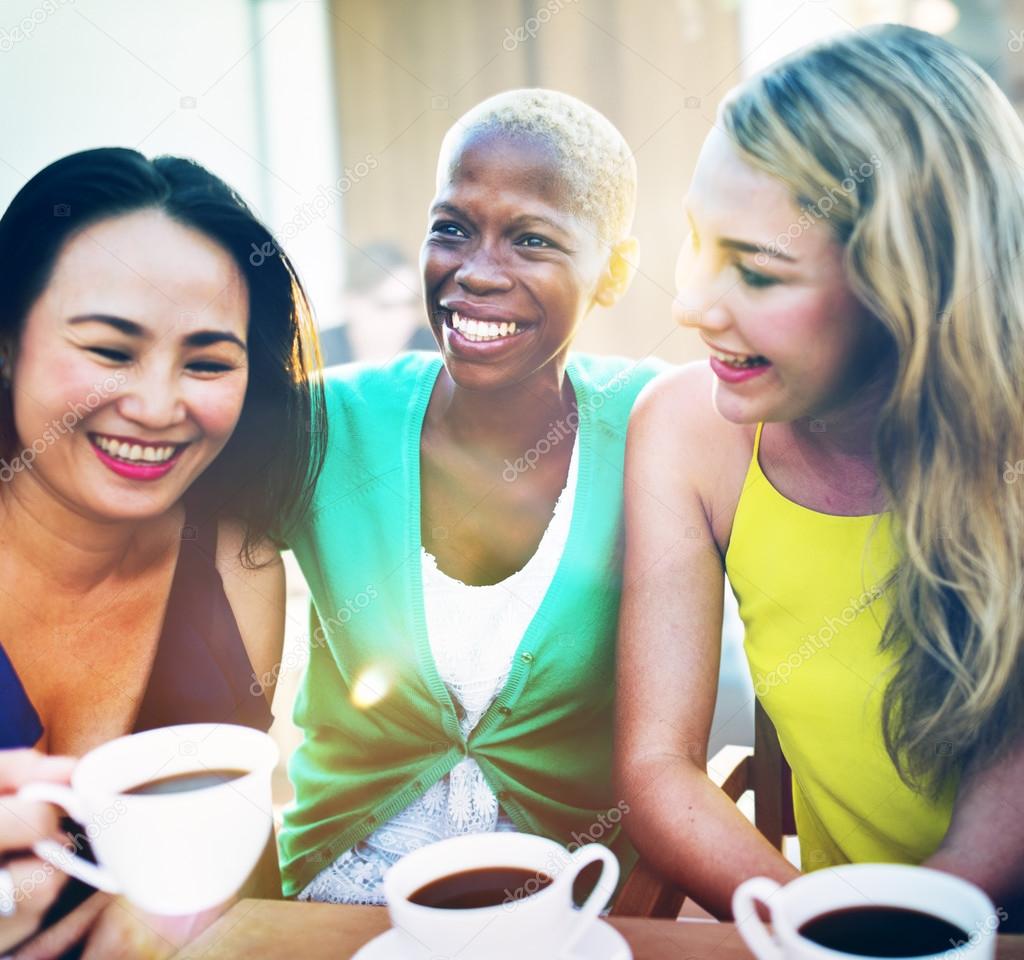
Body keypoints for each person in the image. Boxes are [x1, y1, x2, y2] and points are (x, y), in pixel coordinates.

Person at [617, 23, 1024, 924]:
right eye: (698, 242)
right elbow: (656, 768)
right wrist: (824, 928)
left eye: (757, 273)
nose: (689, 305)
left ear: (907, 289)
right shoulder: (688, 434)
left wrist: (924, 924)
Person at [279, 88, 665, 904]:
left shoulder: (658, 429)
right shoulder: (327, 423)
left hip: (569, 904)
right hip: (339, 902)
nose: (475, 272)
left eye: (531, 239)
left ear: (615, 271)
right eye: (452, 228)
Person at [0, 147, 325, 957]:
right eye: (111, 351)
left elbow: (242, 890)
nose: (155, 406)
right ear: (7, 341)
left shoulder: (235, 562)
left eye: (209, 362)